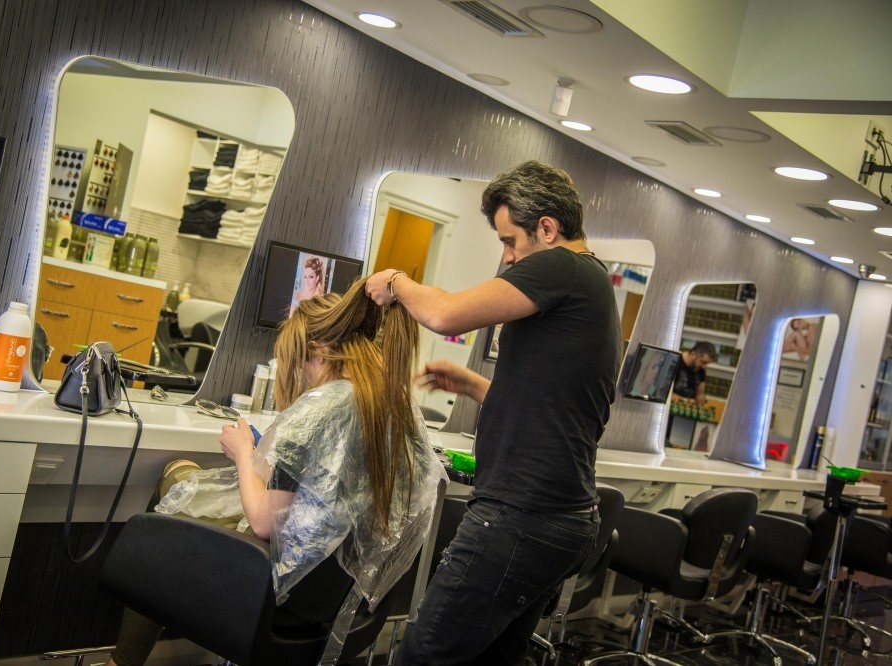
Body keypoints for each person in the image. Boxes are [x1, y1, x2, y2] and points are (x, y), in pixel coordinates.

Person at [105, 280, 445, 666]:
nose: (299, 372)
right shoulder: (399, 409)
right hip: (336, 600)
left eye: (298, 359)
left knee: (176, 480)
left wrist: (244, 452)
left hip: (277, 593)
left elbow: (265, 523)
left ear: (317, 351)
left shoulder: (318, 411)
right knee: (192, 489)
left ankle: (121, 662)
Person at [365, 160, 621, 665]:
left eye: (509, 241)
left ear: (547, 228)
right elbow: (560, 404)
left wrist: (394, 280)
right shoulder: (591, 284)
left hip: (521, 516)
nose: (506, 258)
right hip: (560, 518)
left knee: (421, 656)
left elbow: (443, 314)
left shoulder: (560, 266)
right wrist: (480, 387)